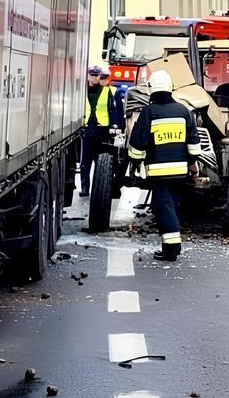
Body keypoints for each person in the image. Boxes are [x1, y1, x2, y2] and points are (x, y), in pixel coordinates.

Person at [127, 70, 202, 261]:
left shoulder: (149, 112)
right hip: (180, 172)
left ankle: (171, 249)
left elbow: (138, 142)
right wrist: (192, 164)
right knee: (173, 206)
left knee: (163, 209)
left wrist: (135, 163)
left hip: (159, 173)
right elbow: (193, 143)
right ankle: (170, 247)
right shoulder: (183, 111)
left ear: (151, 89)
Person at [80, 66, 122, 198]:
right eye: (91, 75)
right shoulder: (81, 91)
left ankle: (98, 188)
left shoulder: (106, 91)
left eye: (96, 75)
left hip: (102, 130)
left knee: (101, 162)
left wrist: (115, 125)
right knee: (85, 163)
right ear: (87, 76)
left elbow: (113, 109)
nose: (94, 78)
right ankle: (84, 188)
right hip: (87, 129)